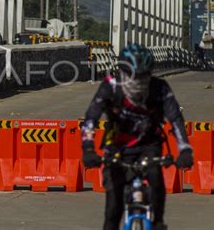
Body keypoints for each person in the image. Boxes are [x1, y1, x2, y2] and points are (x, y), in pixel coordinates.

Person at [81, 44, 193, 230]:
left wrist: (185, 150)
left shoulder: (160, 88)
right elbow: (91, 118)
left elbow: (175, 120)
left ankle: (157, 221)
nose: (139, 82)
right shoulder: (110, 86)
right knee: (113, 209)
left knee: (156, 180)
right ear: (122, 72)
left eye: (144, 76)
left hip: (149, 144)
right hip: (117, 146)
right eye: (134, 76)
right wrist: (88, 148)